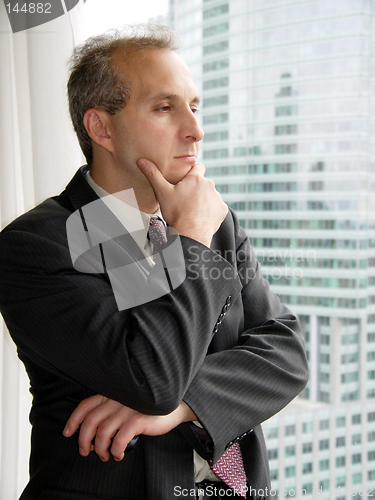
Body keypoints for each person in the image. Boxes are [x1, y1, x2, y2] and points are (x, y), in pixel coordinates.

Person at [0, 24, 308, 500]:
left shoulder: (214, 221)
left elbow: (287, 353)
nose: (195, 130)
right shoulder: (39, 243)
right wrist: (190, 240)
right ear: (101, 127)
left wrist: (186, 406)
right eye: (165, 108)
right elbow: (153, 376)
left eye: (194, 107)